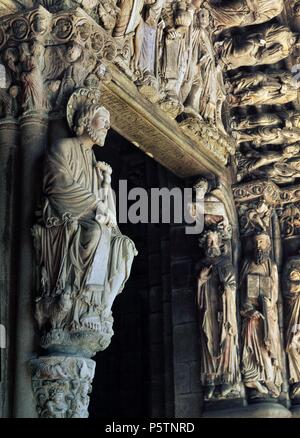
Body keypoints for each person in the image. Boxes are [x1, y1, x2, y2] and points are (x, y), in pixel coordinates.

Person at [240, 232, 283, 398]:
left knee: (267, 345)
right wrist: (248, 307)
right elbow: (240, 289)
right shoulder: (246, 263)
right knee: (252, 345)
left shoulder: (271, 266)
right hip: (251, 313)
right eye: (256, 243)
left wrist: (268, 301)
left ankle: (269, 378)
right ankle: (254, 377)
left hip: (267, 313)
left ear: (268, 245)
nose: (259, 246)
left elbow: (275, 292)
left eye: (262, 243)